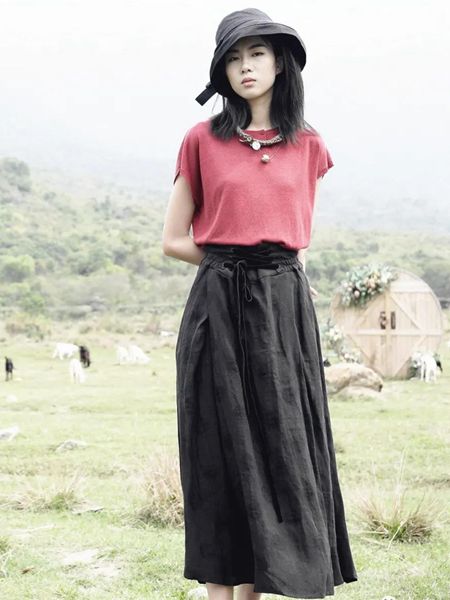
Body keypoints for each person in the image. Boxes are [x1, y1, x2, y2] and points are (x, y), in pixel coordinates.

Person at [162, 8, 358, 600]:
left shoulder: (310, 145)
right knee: (218, 445)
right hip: (219, 305)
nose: (245, 66)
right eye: (233, 57)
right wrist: (235, 267)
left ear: (280, 63)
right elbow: (173, 240)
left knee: (282, 443)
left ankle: (265, 584)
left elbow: (299, 235)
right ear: (222, 71)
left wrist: (287, 279)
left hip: (284, 312)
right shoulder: (201, 140)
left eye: (256, 54)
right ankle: (220, 592)